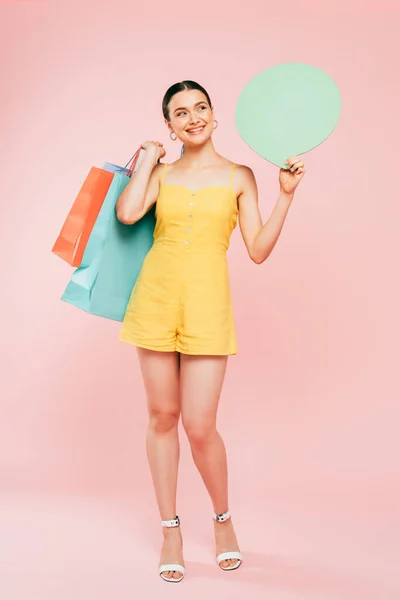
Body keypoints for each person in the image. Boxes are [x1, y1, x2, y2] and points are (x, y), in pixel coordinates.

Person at [116, 80, 306, 583]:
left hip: (206, 306)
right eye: (180, 112)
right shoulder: (159, 172)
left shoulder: (240, 175)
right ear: (169, 125)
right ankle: (171, 531)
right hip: (155, 302)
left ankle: (223, 522)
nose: (193, 117)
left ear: (214, 115)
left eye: (200, 107)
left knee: (199, 427)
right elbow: (129, 212)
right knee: (162, 416)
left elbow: (258, 249)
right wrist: (147, 160)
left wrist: (286, 196)